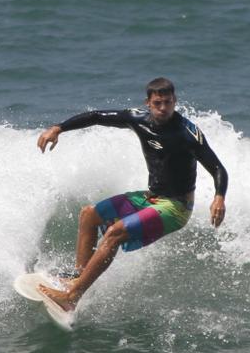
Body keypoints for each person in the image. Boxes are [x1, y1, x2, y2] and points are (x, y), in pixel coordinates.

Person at [36, 78, 228, 312]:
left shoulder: (187, 133)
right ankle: (77, 277)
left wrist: (219, 197)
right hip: (151, 197)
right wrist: (59, 128)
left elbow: (218, 168)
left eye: (168, 102)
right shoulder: (137, 119)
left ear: (175, 101)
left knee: (115, 233)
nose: (163, 108)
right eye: (158, 103)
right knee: (89, 214)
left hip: (176, 207)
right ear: (148, 103)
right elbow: (96, 116)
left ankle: (72, 296)